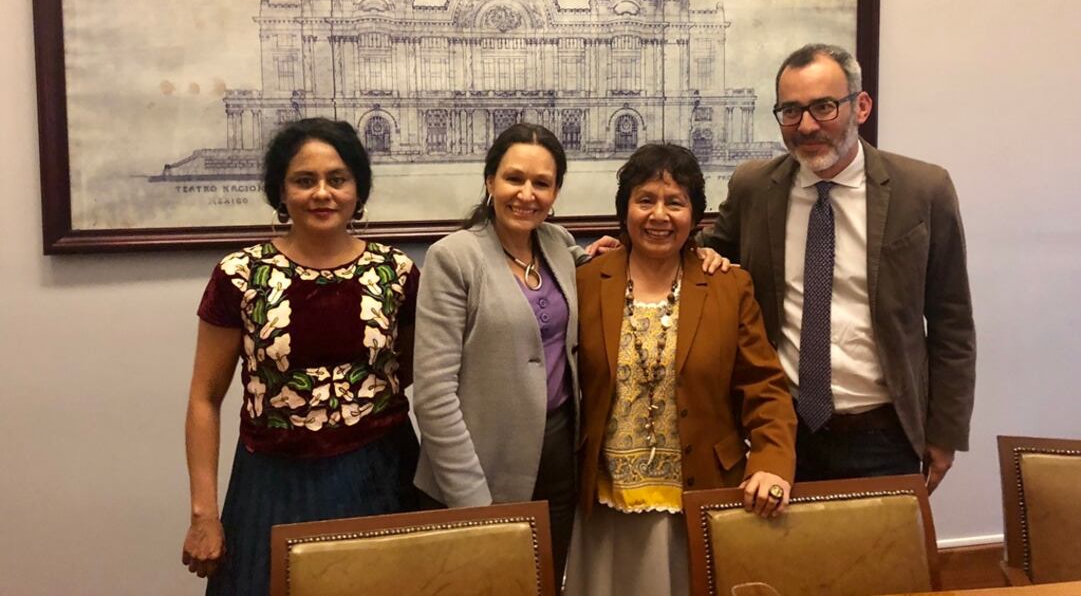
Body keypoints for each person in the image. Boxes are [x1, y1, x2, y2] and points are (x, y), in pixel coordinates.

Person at [411, 123, 726, 583]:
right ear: (490, 180)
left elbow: (624, 269)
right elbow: (434, 397)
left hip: (559, 462)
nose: (527, 194)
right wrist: (473, 501)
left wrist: (701, 255)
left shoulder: (558, 246)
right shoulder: (453, 258)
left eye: (542, 183)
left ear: (556, 191)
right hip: (479, 465)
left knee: (544, 582)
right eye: (514, 178)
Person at [700, 43, 976, 493]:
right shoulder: (754, 188)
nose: (807, 125)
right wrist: (618, 250)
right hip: (780, 436)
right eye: (791, 111)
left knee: (883, 544)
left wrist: (945, 432)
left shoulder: (922, 191)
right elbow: (702, 255)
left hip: (884, 435)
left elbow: (953, 322)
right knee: (778, 543)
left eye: (824, 107)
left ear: (861, 106)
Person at [181, 118, 420, 594]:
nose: (322, 193)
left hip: (382, 477)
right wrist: (203, 514)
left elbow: (409, 372)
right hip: (274, 484)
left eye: (337, 179)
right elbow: (204, 398)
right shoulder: (240, 275)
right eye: (304, 180)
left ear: (358, 189)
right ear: (281, 191)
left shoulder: (396, 272)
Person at [566, 144, 796, 596]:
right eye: (645, 200)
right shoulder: (587, 281)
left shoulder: (728, 285)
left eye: (675, 202)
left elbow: (765, 388)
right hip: (607, 505)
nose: (659, 215)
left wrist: (771, 464)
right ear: (625, 209)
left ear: (695, 215)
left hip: (704, 491)